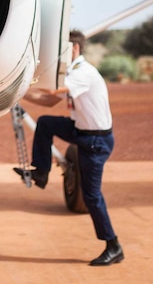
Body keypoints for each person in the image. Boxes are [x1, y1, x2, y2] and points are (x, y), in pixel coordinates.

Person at [16, 30, 124, 266]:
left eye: (61, 49)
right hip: (81, 131)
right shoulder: (73, 74)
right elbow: (48, 101)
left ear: (73, 49)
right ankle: (41, 172)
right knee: (45, 122)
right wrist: (17, 95)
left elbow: (53, 91)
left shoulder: (83, 73)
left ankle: (113, 245)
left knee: (92, 196)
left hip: (96, 142)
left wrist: (20, 84)